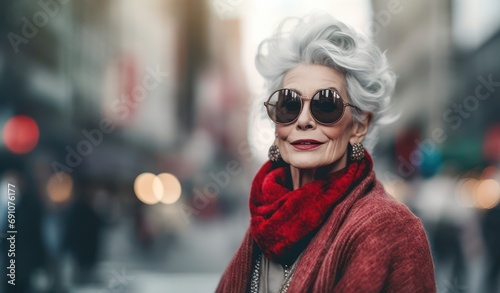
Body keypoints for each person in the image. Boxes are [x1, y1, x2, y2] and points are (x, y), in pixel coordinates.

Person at [216, 12, 436, 293]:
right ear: (275, 123)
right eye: (289, 105)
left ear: (359, 126)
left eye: (325, 104)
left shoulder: (394, 230)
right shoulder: (267, 221)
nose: (304, 120)